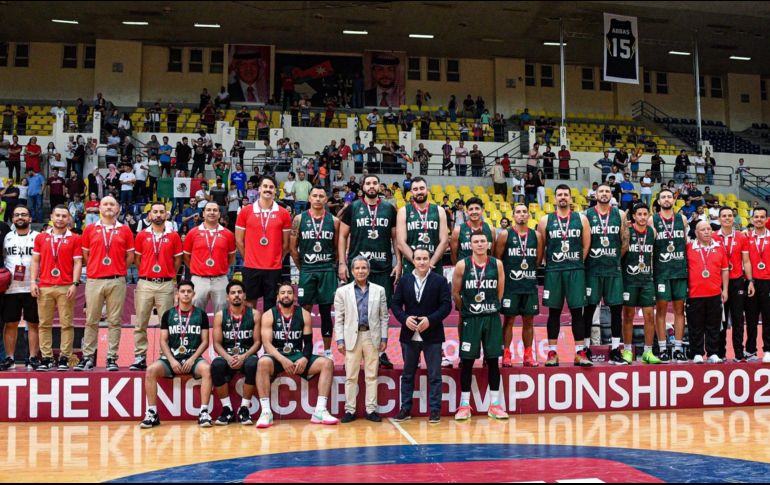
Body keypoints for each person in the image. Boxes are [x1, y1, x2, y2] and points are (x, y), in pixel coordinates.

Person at [338, 174, 400, 369]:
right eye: (368, 183)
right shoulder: (353, 208)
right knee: (355, 310)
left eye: (375, 183)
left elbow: (395, 238)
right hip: (358, 268)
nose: (372, 186)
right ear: (362, 187)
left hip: (383, 267)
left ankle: (381, 351)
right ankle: (356, 349)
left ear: (379, 186)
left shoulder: (389, 208)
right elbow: (342, 236)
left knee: (382, 312)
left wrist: (399, 262)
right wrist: (342, 263)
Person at [255, 283, 338, 428]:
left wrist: (305, 358)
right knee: (262, 363)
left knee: (327, 363)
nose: (286, 295)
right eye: (282, 293)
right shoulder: (269, 315)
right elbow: (266, 344)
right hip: (276, 356)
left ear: (294, 296)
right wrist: (282, 360)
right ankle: (266, 412)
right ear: (277, 297)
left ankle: (320, 410)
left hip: (297, 355)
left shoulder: (304, 314)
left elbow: (308, 342)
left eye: (289, 292)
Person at [139, 281, 213, 428]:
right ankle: (152, 413)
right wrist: (172, 360)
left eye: (189, 291)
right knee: (150, 371)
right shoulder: (168, 314)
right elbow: (163, 341)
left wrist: (192, 359)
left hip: (193, 357)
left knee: (207, 370)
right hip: (171, 358)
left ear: (194, 294)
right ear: (177, 294)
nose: (186, 294)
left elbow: (205, 341)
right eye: (183, 291)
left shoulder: (201, 315)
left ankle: (204, 412)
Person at [390, 247, 451, 423]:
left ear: (430, 260)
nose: (422, 262)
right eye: (418, 259)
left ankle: (435, 411)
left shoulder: (439, 281)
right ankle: (405, 409)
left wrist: (430, 320)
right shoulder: (405, 280)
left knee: (435, 375)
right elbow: (395, 305)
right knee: (408, 374)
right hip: (409, 334)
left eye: (425, 258)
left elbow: (446, 306)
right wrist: (404, 319)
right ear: (413, 261)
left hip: (432, 334)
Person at [451, 232, 508, 421]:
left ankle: (495, 405)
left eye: (483, 241)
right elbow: (456, 293)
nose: (480, 244)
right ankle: (465, 405)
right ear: (470, 245)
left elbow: (500, 291)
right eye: (476, 241)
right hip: (471, 319)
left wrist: (489, 307)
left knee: (493, 361)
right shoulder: (462, 265)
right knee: (466, 362)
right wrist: (468, 309)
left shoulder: (497, 264)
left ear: (489, 244)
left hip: (491, 317)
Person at [76, 196, 134, 371]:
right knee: (91, 320)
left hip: (117, 280)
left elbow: (130, 257)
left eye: (112, 204)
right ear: (99, 208)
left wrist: (118, 268)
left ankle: (111, 358)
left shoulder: (125, 230)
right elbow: (86, 255)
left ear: (118, 209)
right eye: (105, 204)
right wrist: (96, 268)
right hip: (94, 280)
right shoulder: (89, 229)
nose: (109, 207)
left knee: (114, 321)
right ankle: (87, 357)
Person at [538, 185, 592, 367]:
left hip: (576, 270)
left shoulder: (581, 219)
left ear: (570, 198)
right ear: (555, 198)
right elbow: (542, 247)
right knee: (554, 312)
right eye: (559, 194)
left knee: (578, 312)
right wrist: (551, 263)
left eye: (565, 194)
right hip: (554, 271)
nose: (562, 197)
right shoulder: (545, 220)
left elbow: (586, 246)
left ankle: (580, 353)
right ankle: (552, 353)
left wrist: (576, 262)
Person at [334, 256, 389, 423]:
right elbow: (339, 319)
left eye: (364, 268)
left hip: (372, 337)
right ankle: (350, 410)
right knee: (351, 376)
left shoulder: (379, 290)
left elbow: (384, 316)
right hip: (352, 337)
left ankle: (371, 410)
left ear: (369, 270)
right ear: (351, 271)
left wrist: (384, 337)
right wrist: (340, 340)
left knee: (371, 375)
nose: (360, 271)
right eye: (357, 268)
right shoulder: (342, 292)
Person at [130, 202, 183, 371]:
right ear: (149, 215)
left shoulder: (173, 236)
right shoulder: (141, 235)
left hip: (166, 283)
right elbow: (137, 260)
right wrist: (147, 273)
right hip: (145, 282)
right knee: (140, 323)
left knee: (166, 324)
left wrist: (168, 275)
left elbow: (177, 261)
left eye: (161, 212)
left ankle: (164, 356)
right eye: (155, 212)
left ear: (166, 215)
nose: (158, 215)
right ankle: (139, 356)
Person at [29, 206, 82, 371]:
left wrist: (75, 283)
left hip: (66, 286)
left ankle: (65, 357)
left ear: (69, 219)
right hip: (44, 286)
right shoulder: (41, 238)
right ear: (51, 216)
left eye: (64, 216)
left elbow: (78, 262)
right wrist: (32, 281)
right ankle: (46, 358)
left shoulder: (75, 238)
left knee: (67, 323)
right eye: (57, 215)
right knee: (44, 324)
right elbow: (35, 260)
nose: (60, 218)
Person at [290, 186, 340, 358]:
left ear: (326, 200)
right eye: (315, 195)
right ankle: (305, 348)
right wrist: (302, 268)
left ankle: (327, 351)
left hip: (327, 269)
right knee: (305, 310)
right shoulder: (299, 219)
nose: (318, 199)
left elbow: (336, 248)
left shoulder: (334, 221)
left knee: (326, 310)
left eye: (321, 196)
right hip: (308, 270)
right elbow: (293, 248)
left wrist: (333, 265)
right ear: (309, 198)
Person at [583, 185, 628, 365]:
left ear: (611, 195)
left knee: (616, 310)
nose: (604, 194)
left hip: (613, 269)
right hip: (592, 269)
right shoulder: (586, 215)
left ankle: (616, 350)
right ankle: (585, 348)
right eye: (601, 191)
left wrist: (614, 258)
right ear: (595, 195)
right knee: (589, 309)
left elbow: (625, 242)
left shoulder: (621, 214)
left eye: (607, 192)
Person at [495, 203, 543, 367]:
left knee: (529, 321)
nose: (521, 214)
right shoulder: (504, 235)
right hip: (510, 286)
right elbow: (498, 260)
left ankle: (528, 355)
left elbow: (537, 261)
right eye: (518, 212)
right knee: (508, 321)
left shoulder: (536, 235)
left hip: (529, 286)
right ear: (513, 215)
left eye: (524, 212)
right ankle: (506, 354)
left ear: (529, 215)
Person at [236, 176, 292, 312]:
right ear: (259, 189)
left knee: (271, 305)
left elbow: (286, 244)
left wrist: (277, 259)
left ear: (275, 191)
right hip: (251, 266)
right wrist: (248, 258)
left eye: (271, 187)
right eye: (265, 186)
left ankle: (267, 333)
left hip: (273, 267)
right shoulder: (246, 211)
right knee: (249, 303)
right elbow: (238, 240)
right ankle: (252, 333)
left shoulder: (284, 213)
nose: (268, 189)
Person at [211, 281, 262, 426]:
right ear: (228, 297)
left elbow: (257, 342)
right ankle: (227, 409)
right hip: (227, 356)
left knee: (253, 364)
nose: (237, 295)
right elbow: (216, 344)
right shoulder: (220, 315)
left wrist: (243, 357)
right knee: (216, 365)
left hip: (247, 355)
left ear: (245, 295)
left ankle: (244, 408)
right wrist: (228, 358)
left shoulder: (255, 314)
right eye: (233, 293)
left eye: (239, 292)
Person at [650, 189, 689, 363]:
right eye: (663, 197)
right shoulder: (653, 219)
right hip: (661, 272)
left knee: (680, 311)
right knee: (662, 311)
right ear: (658, 201)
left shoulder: (682, 219)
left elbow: (685, 244)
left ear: (674, 200)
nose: (666, 199)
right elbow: (649, 248)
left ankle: (679, 348)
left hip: (679, 270)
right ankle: (663, 348)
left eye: (669, 197)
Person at [621, 203, 662, 365]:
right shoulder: (628, 232)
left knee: (649, 316)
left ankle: (648, 351)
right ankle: (627, 351)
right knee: (628, 316)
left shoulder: (652, 232)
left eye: (646, 214)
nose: (643, 217)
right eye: (640, 214)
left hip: (647, 280)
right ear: (634, 216)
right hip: (629, 279)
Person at [0, 206, 40, 370]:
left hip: (33, 286)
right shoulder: (6, 237)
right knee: (11, 323)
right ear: (12, 219)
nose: (20, 217)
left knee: (33, 324)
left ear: (30, 218)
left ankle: (32, 357)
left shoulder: (38, 237)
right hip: (11, 288)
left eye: (24, 214)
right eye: (16, 215)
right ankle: (9, 358)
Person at [712, 207, 754, 362]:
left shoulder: (742, 237)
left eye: (730, 215)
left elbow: (746, 261)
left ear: (734, 218)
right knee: (720, 319)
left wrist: (750, 281)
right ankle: (720, 352)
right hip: (718, 282)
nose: (727, 218)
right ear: (719, 218)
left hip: (736, 281)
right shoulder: (713, 236)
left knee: (737, 318)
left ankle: (738, 352)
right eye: (724, 216)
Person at [686, 221, 729, 363]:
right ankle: (697, 353)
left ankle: (713, 353)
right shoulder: (689, 248)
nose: (706, 232)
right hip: (694, 294)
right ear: (696, 233)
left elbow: (724, 270)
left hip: (714, 293)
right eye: (702, 229)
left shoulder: (719, 248)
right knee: (695, 326)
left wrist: (726, 289)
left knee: (714, 325)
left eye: (708, 229)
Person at [184, 202, 236, 314]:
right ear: (203, 213)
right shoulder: (192, 233)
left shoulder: (228, 234)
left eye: (214, 210)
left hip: (220, 279)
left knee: (222, 316)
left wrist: (220, 268)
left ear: (219, 214)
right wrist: (197, 269)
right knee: (195, 315)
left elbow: (231, 257)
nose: (211, 212)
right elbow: (186, 256)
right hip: (198, 280)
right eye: (208, 210)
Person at [396, 176, 449, 275]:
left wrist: (430, 262)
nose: (419, 192)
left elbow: (444, 241)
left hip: (434, 264)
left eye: (422, 188)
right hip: (411, 264)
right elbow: (400, 243)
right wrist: (417, 262)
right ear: (411, 192)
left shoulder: (439, 210)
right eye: (415, 189)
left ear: (427, 190)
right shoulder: (403, 211)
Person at [745, 207, 770, 363]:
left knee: (768, 318)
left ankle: (768, 349)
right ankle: (750, 350)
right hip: (751, 282)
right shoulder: (745, 237)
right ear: (752, 219)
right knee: (751, 318)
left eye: (762, 217)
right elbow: (744, 261)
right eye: (756, 217)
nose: (759, 219)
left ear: (766, 219)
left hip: (768, 281)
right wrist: (750, 281)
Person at [451, 197, 494, 265]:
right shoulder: (458, 230)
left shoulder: (491, 229)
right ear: (467, 212)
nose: (474, 212)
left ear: (482, 210)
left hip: (486, 271)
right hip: (465, 271)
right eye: (471, 209)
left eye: (477, 208)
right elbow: (453, 255)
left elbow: (492, 253)